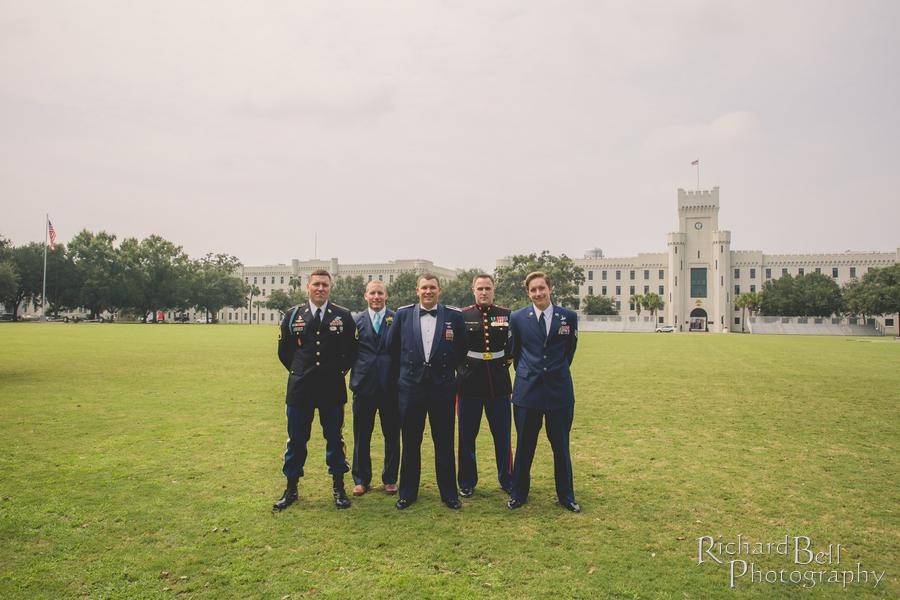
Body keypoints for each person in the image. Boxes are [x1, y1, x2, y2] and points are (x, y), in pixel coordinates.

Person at [273, 269, 358, 511]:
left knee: (335, 439)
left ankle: (338, 487)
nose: (321, 288)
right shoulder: (293, 315)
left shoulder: (342, 315)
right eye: (316, 284)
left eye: (325, 285)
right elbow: (285, 353)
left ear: (330, 288)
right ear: (307, 287)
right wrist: (300, 371)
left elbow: (351, 351)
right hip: (301, 389)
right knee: (296, 440)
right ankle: (291, 488)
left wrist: (336, 371)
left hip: (331, 388)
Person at [386, 273, 467, 510]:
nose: (428, 291)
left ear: (439, 290)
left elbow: (462, 349)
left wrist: (447, 372)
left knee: (444, 442)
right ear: (417, 290)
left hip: (442, 388)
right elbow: (392, 349)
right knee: (411, 442)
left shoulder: (454, 315)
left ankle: (449, 494)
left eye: (432, 287)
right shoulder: (402, 314)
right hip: (411, 388)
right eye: (424, 288)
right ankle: (408, 492)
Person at [507, 271, 581, 512]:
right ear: (528, 293)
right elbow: (515, 352)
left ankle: (566, 496)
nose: (538, 293)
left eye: (541, 288)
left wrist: (554, 371)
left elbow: (569, 351)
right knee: (525, 445)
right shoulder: (517, 317)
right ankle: (518, 493)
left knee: (561, 446)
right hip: (527, 392)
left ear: (550, 288)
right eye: (533, 290)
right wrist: (531, 372)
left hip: (559, 391)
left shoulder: (568, 317)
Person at [456, 274, 513, 497]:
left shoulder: (507, 315)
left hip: (497, 382)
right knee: (467, 436)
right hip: (469, 382)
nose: (484, 292)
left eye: (487, 288)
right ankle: (467, 481)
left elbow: (513, 345)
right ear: (473, 290)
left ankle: (507, 479)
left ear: (493, 290)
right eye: (480, 288)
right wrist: (463, 368)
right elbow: (456, 346)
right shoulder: (462, 316)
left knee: (503, 435)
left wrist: (505, 362)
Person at [349, 280, 400, 496]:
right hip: (364, 387)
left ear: (386, 296)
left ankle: (390, 479)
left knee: (392, 435)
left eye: (380, 293)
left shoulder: (397, 319)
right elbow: (348, 352)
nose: (376, 297)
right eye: (372, 293)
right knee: (362, 435)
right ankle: (361, 479)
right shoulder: (355, 321)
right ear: (365, 296)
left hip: (391, 387)